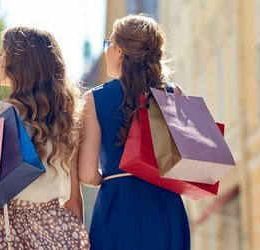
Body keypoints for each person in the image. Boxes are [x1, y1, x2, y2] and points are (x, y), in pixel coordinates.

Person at [0, 26, 90, 250]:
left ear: (18, 64)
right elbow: (73, 199)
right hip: (56, 226)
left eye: (2, 53)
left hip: (5, 228)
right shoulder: (66, 120)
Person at [78, 14, 191, 250]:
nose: (106, 51)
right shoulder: (174, 93)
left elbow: (87, 174)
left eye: (108, 45)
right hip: (165, 204)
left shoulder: (94, 99)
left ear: (119, 51)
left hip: (117, 206)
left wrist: (109, 177)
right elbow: (186, 159)